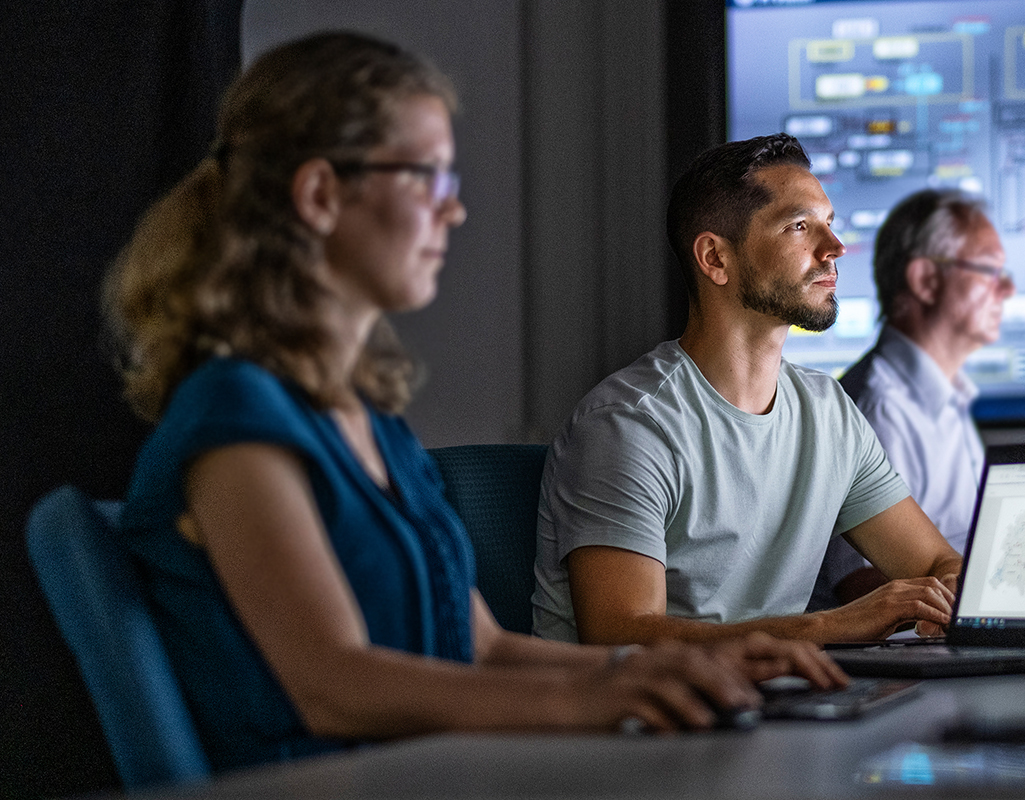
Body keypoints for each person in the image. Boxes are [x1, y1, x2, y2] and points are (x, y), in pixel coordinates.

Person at [106, 33, 842, 773]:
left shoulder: (368, 419)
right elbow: (335, 688)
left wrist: (684, 672)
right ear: (322, 194)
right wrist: (589, 704)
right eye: (426, 178)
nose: (453, 211)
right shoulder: (235, 420)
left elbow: (482, 646)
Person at [532, 134, 964, 646]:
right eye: (800, 226)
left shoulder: (828, 412)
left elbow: (937, 562)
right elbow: (621, 633)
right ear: (715, 258)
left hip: (771, 704)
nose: (834, 248)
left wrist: (952, 592)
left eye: (830, 224)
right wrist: (828, 626)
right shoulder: (629, 424)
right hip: (638, 719)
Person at [815, 190, 1014, 607]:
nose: (1008, 288)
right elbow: (862, 586)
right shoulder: (879, 408)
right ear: (926, 280)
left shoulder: (945, 397)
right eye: (991, 271)